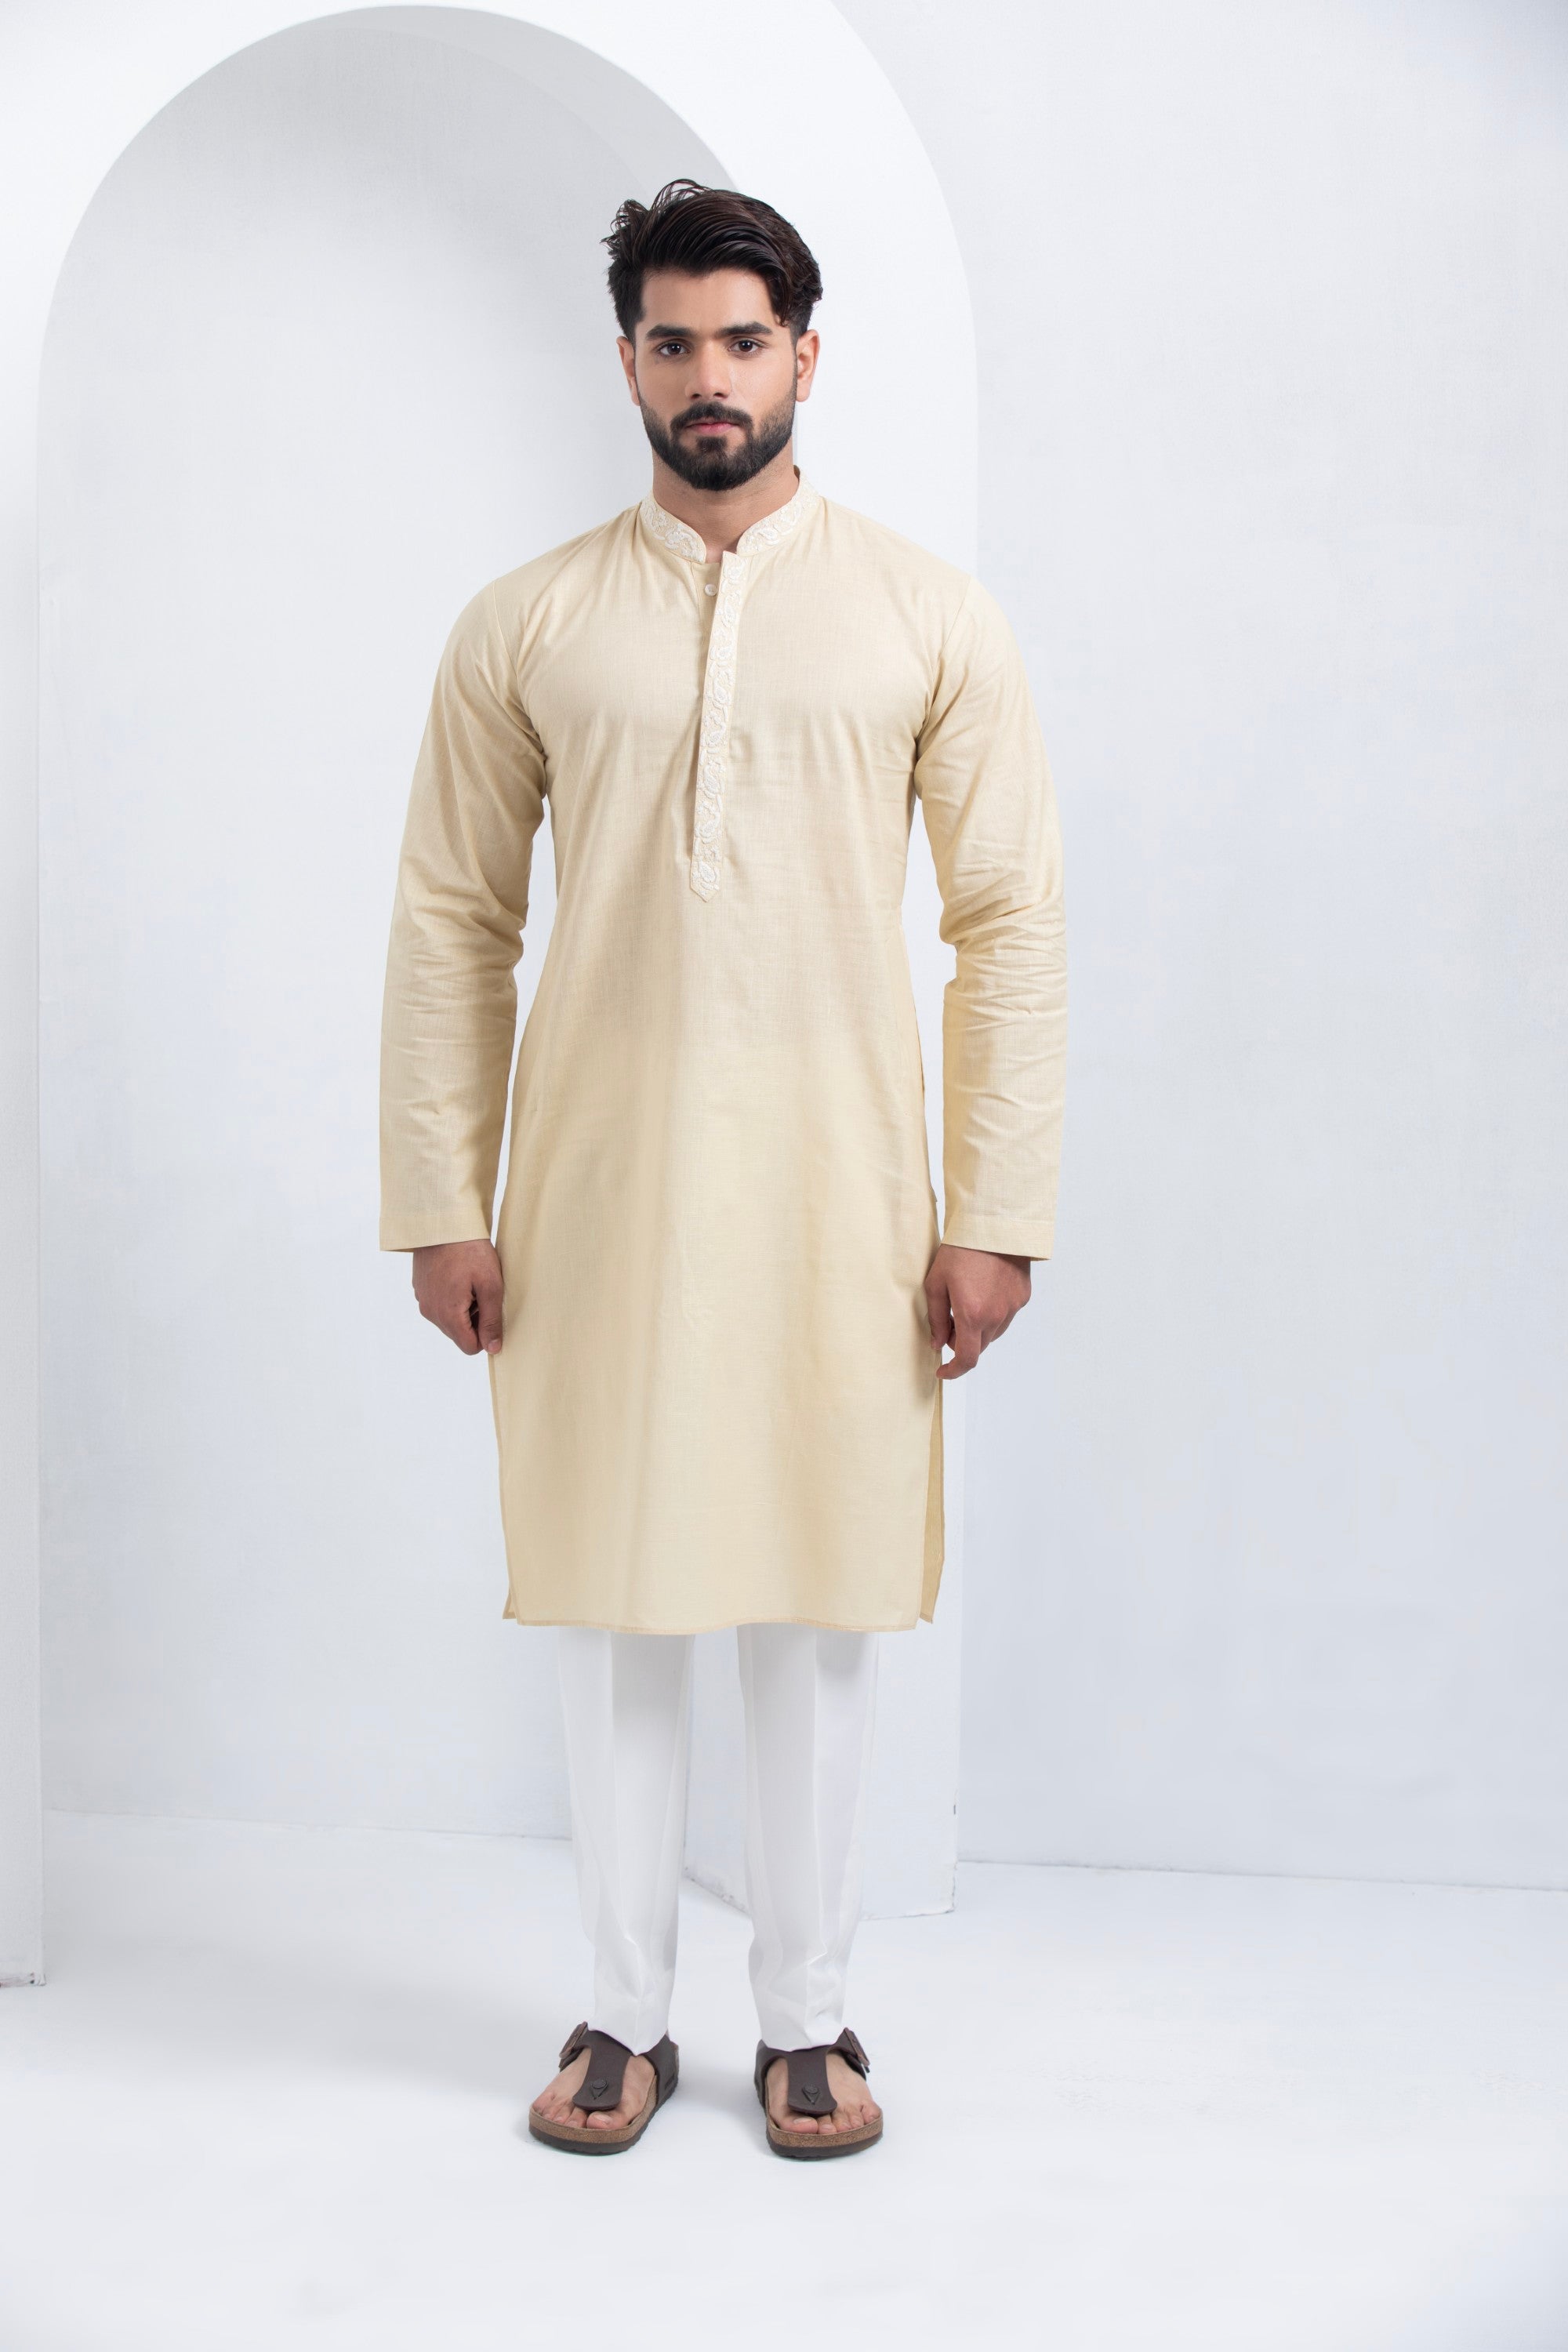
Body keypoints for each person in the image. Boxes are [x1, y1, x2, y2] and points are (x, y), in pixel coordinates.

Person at [378, 180, 1067, 2160]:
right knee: (617, 1598)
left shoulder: (928, 615)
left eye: (742, 342)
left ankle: (807, 2019)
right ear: (626, 361)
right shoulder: (527, 621)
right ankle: (619, 2012)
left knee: (818, 1604)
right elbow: (452, 920)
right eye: (672, 341)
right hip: (595, 1190)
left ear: (804, 360)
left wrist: (995, 1212)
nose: (709, 377)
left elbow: (1010, 923)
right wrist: (441, 1196)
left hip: (848, 1193)